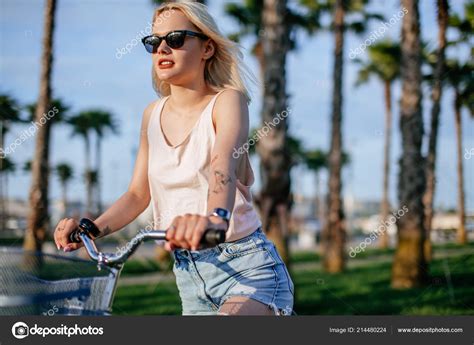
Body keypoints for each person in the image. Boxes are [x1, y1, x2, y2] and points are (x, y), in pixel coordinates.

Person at [54, 1, 294, 316]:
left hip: (247, 269)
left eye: (176, 39)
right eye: (153, 43)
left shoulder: (228, 102)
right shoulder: (152, 114)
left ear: (207, 48)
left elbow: (221, 165)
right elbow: (138, 194)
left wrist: (216, 218)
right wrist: (89, 229)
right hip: (189, 277)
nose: (162, 48)